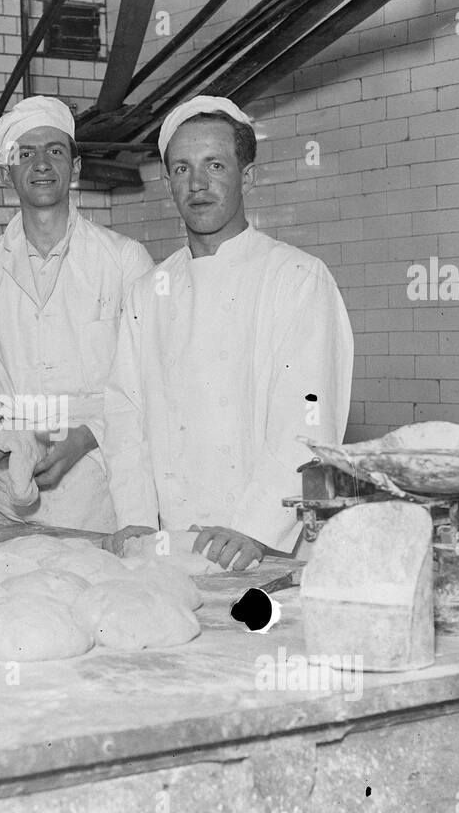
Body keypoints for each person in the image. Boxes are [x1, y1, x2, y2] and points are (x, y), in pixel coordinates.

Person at [103, 96, 353, 569]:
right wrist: (135, 516)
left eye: (214, 165)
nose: (197, 184)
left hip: (269, 543)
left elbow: (308, 420)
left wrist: (254, 528)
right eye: (181, 169)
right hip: (175, 544)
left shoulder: (296, 276)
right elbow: (124, 413)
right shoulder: (147, 291)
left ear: (248, 176)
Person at [0, 96, 154, 531]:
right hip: (9, 495)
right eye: (25, 153)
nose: (41, 163)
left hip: (101, 489)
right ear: (8, 173)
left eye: (55, 151)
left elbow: (151, 381)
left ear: (75, 168)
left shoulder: (125, 260)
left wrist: (85, 435)